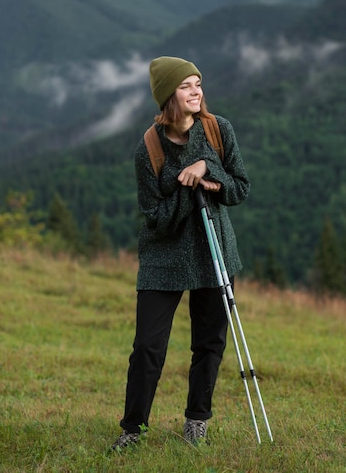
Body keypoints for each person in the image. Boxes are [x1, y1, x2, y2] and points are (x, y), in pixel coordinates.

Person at [111, 55, 250, 450]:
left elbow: (240, 189)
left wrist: (208, 168)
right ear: (168, 96)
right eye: (187, 86)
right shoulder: (149, 148)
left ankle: (196, 421)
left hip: (214, 250)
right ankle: (133, 429)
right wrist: (185, 187)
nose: (197, 91)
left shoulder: (218, 129)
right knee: (147, 348)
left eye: (198, 84)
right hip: (164, 256)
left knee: (209, 343)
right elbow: (155, 217)